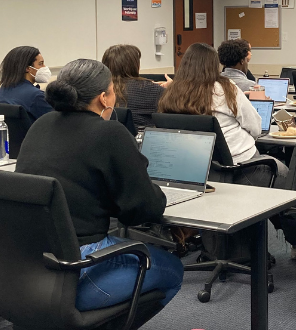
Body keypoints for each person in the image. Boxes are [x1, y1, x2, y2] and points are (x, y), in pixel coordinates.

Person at [15, 59, 183, 312]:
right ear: (104, 98)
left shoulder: (41, 125)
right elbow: (145, 210)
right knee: (172, 269)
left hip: (29, 265)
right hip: (78, 268)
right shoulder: (110, 133)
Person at [158, 42, 287, 187]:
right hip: (241, 167)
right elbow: (256, 128)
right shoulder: (226, 88)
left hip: (196, 168)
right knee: (286, 173)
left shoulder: (171, 93)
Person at [102, 44, 165, 129]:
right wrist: (172, 88)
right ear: (135, 66)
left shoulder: (99, 90)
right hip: (142, 139)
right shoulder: (154, 90)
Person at [0, 46, 53, 121]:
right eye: (40, 64)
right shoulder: (36, 96)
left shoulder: (2, 91)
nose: (44, 67)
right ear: (27, 68)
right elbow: (57, 122)